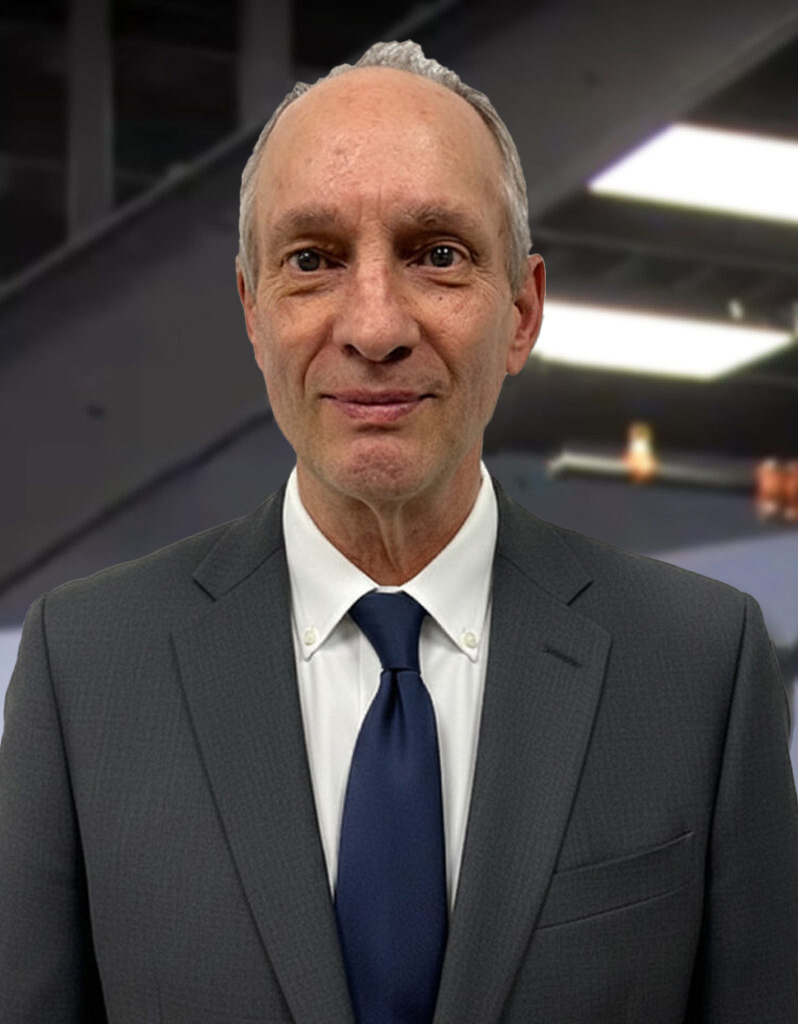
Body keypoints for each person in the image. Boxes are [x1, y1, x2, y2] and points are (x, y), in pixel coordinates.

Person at [1, 39, 797, 1024]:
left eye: (437, 254)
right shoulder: (86, 668)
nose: (374, 326)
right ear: (253, 312)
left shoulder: (699, 665)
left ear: (522, 311)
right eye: (312, 260)